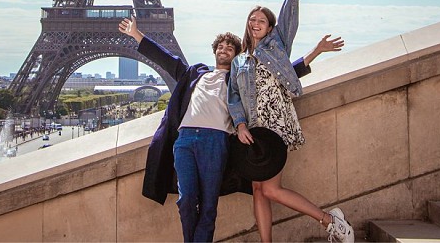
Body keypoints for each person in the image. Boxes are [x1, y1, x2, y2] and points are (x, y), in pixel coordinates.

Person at [118, 16, 342, 242]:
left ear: (236, 55)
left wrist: (317, 51)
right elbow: (166, 59)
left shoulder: (242, 81)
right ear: (215, 51)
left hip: (215, 141)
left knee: (207, 206)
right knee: (186, 199)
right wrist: (137, 34)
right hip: (185, 140)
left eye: (230, 47)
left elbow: (281, 74)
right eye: (221, 46)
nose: (224, 49)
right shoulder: (194, 73)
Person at [228, 0, 354, 243]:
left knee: (269, 189)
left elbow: (290, 3)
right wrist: (241, 125)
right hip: (254, 129)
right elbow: (234, 97)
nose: (255, 23)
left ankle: (331, 222)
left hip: (277, 125)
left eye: (261, 20)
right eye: (251, 19)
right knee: (259, 190)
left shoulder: (277, 44)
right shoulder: (239, 61)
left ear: (271, 27)